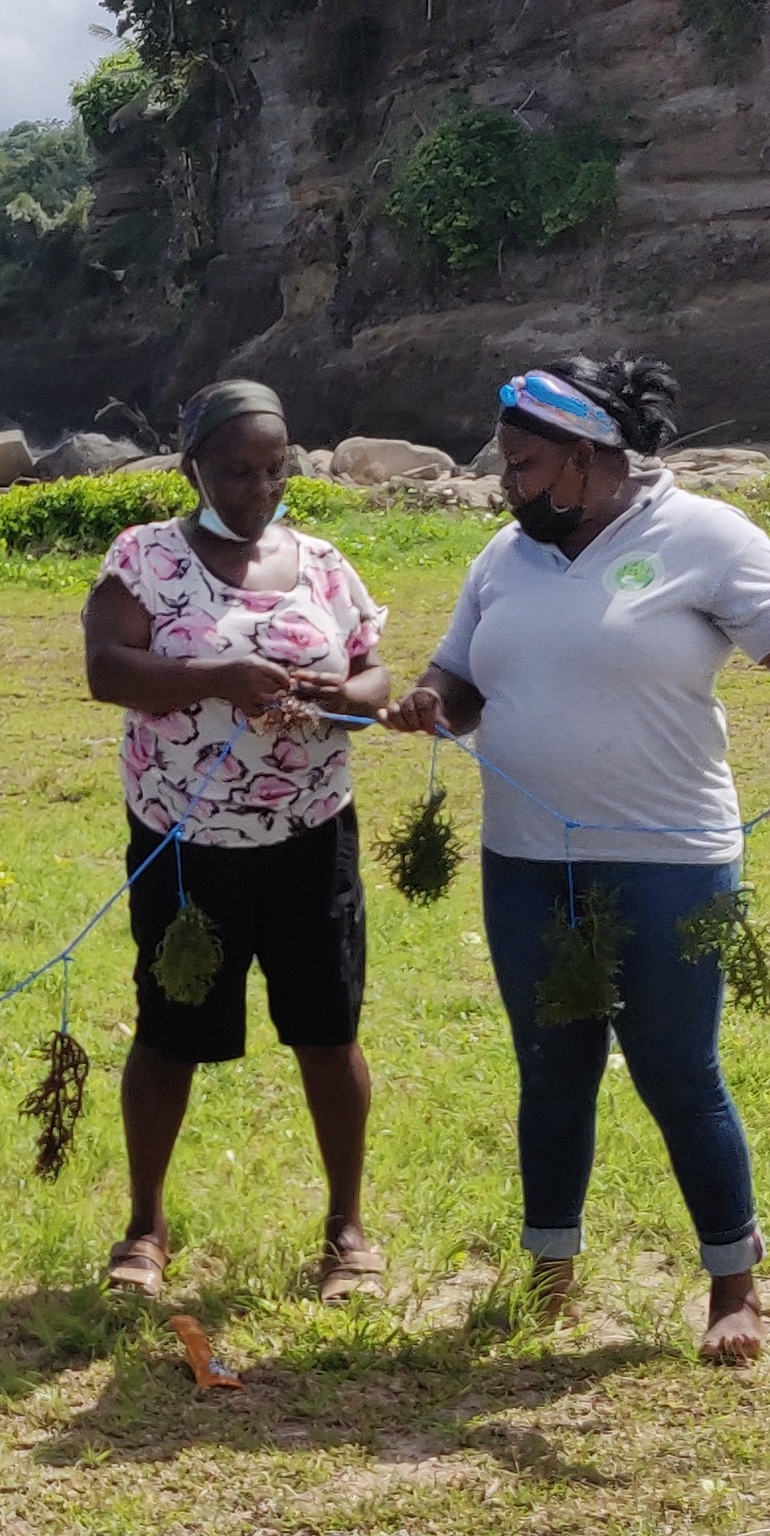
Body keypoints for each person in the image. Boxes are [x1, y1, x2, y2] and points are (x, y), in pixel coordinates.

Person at [383, 354, 770, 1361]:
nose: (502, 484)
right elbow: (459, 681)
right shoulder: (501, 557)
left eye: (518, 466)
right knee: (550, 1071)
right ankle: (549, 1273)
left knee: (676, 1072)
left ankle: (734, 1286)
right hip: (523, 863)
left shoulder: (705, 538)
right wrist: (428, 703)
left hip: (668, 861)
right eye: (502, 466)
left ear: (588, 457)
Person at [83, 380, 391, 1302]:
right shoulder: (144, 558)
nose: (259, 488)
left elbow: (375, 675)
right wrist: (225, 675)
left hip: (312, 835)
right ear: (194, 469)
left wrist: (334, 697)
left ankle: (347, 1230)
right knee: (170, 1032)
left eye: (274, 467)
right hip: (186, 839)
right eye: (236, 470)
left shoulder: (326, 564)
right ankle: (145, 1227)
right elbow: (108, 671)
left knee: (328, 1033)